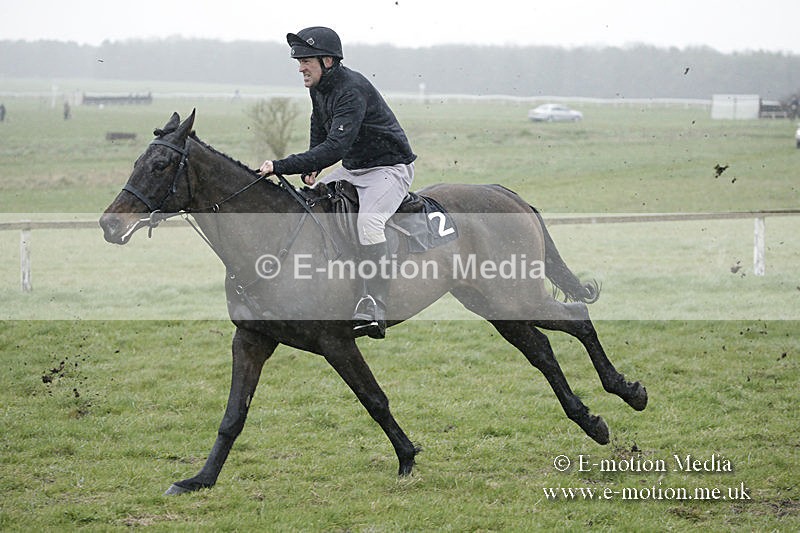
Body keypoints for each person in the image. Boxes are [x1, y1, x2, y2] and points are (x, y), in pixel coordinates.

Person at [258, 26, 416, 339]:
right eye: (299, 61)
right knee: (311, 201)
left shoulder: (351, 89)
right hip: (354, 169)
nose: (300, 68)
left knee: (369, 224)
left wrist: (281, 166)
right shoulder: (319, 86)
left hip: (388, 169)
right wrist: (312, 166)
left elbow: (335, 147)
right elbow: (319, 126)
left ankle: (375, 304)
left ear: (327, 61)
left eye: (306, 61)